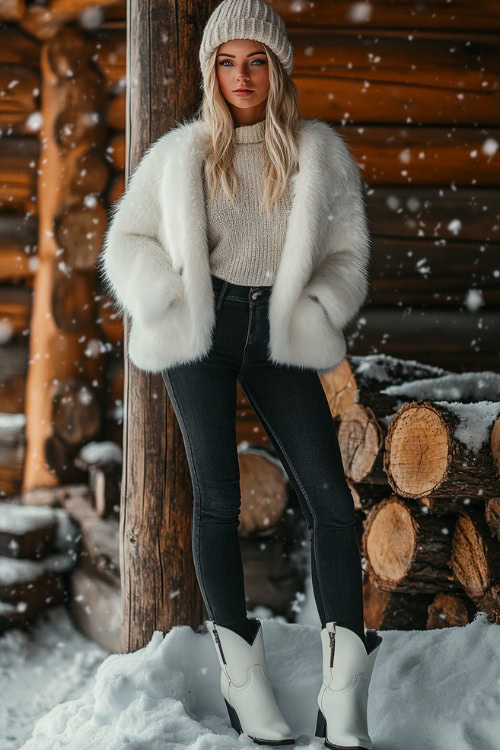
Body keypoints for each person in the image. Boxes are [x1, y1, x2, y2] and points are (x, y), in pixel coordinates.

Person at [98, 1, 383, 746]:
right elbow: (126, 238)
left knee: (332, 503)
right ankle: (240, 674)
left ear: (278, 69)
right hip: (203, 330)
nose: (242, 76)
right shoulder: (183, 152)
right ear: (210, 71)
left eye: (256, 61)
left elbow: (348, 254)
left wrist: (322, 303)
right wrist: (161, 293)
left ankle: (345, 686)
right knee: (218, 497)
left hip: (278, 333)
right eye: (227, 62)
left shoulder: (318, 153)